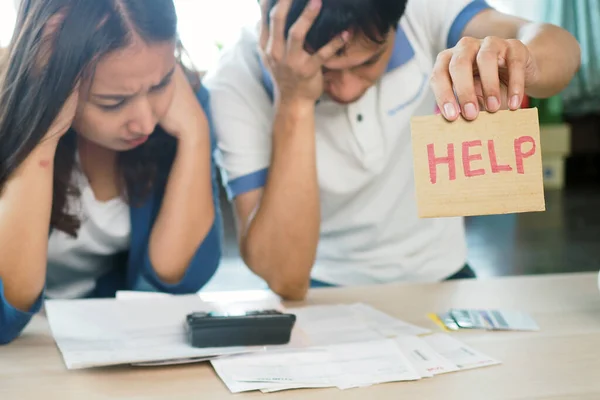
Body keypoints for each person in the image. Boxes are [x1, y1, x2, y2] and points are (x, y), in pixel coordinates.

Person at [203, 0, 580, 300]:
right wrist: (294, 99)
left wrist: (521, 60)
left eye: (368, 62)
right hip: (319, 287)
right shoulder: (235, 78)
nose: (347, 90)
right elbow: (285, 277)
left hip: (444, 276)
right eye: (325, 72)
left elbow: (557, 45)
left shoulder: (422, 12)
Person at [0, 0, 222, 344]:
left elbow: (175, 285)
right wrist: (43, 134)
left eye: (162, 84)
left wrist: (196, 133)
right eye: (113, 103)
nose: (146, 121)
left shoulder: (184, 109)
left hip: (104, 344)